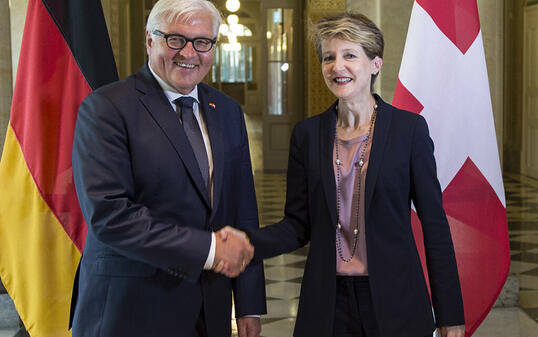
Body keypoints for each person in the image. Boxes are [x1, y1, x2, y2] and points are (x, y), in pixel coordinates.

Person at [224, 12, 465, 337]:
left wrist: (450, 314)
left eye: (350, 55)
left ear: (375, 63)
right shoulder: (307, 135)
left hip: (397, 301)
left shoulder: (409, 131)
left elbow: (435, 225)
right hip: (327, 304)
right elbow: (298, 225)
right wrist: (249, 241)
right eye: (329, 57)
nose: (337, 66)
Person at [69, 0, 266, 336]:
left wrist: (248, 302)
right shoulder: (106, 108)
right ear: (150, 40)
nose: (189, 53)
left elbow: (242, 210)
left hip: (210, 309)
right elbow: (109, 216)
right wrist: (210, 249)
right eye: (175, 39)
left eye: (202, 42)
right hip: (131, 308)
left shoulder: (227, 111)